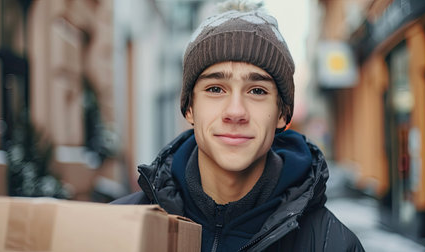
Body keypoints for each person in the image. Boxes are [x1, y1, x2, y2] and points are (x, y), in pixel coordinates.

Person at [112, 1, 364, 251]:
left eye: (256, 90)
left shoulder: (333, 245)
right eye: (215, 89)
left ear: (282, 113)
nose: (235, 112)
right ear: (189, 108)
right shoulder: (119, 230)